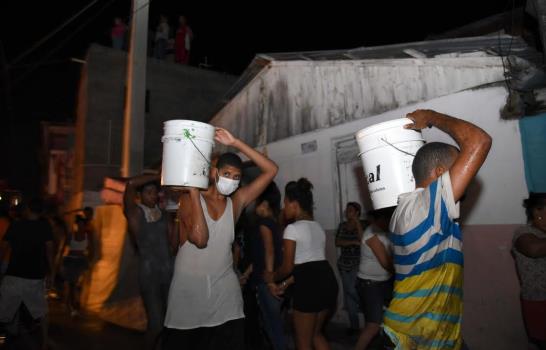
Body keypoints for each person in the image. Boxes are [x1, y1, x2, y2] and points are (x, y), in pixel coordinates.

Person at [383, 109, 492, 349]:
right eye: (457, 167)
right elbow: (479, 141)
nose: (466, 175)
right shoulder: (425, 207)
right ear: (441, 173)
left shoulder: (411, 210)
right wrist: (431, 117)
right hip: (414, 337)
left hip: (434, 335)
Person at [162, 128, 278, 350]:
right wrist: (195, 192)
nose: (232, 181)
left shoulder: (237, 201)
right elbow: (200, 238)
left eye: (237, 177)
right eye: (227, 174)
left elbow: (271, 169)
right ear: (214, 172)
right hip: (189, 295)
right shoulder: (188, 199)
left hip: (226, 297)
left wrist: (236, 142)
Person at [265, 178, 339, 350]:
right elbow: (308, 265)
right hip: (327, 282)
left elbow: (288, 267)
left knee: (303, 344)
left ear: (294, 204)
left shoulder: (292, 229)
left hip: (309, 288)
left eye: (285, 203)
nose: (283, 208)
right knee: (316, 334)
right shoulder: (318, 227)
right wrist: (284, 284)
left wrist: (272, 276)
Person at [123, 174, 175, 349]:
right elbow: (130, 184)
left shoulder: (164, 214)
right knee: (156, 323)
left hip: (168, 273)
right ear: (140, 196)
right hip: (149, 275)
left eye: (155, 192)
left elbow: (172, 245)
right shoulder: (136, 213)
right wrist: (160, 174)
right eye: (148, 192)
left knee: (169, 323)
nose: (153, 195)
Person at [0, 198, 54, 350]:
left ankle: (5, 338)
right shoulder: (45, 226)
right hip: (35, 277)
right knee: (42, 312)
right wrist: (51, 272)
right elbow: (50, 251)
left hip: (14, 275)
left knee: (4, 312)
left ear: (28, 209)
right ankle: (43, 344)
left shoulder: (16, 225)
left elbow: (4, 248)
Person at [249, 182, 286, 350]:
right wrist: (248, 272)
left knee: (273, 326)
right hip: (269, 278)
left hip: (267, 281)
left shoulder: (264, 223)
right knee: (273, 323)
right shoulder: (274, 221)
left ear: (263, 203)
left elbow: (269, 250)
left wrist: (270, 280)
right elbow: (261, 254)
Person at [355, 207, 395, 350]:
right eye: (388, 219)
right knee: (373, 325)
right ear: (381, 219)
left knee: (387, 321)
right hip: (370, 284)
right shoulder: (371, 234)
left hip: (383, 283)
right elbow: (386, 262)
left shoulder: (385, 233)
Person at [512, 192, 546, 349]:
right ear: (531, 211)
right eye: (539, 209)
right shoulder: (524, 232)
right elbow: (534, 249)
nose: (544, 215)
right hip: (537, 299)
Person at [335, 202, 365, 335]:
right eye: (347, 210)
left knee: (352, 291)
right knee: (348, 294)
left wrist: (357, 222)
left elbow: (362, 239)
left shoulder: (362, 224)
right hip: (343, 264)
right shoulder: (342, 225)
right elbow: (338, 242)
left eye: (351, 210)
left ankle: (369, 308)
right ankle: (354, 327)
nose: (347, 212)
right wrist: (352, 242)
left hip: (357, 264)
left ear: (357, 212)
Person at [62, 215, 94, 316]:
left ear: (85, 225)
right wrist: (60, 260)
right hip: (70, 260)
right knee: (70, 284)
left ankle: (76, 304)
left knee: (78, 284)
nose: (80, 226)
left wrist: (89, 260)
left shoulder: (88, 236)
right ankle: (70, 305)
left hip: (81, 262)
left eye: (82, 225)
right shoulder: (71, 235)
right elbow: (64, 248)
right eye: (78, 224)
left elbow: (91, 250)